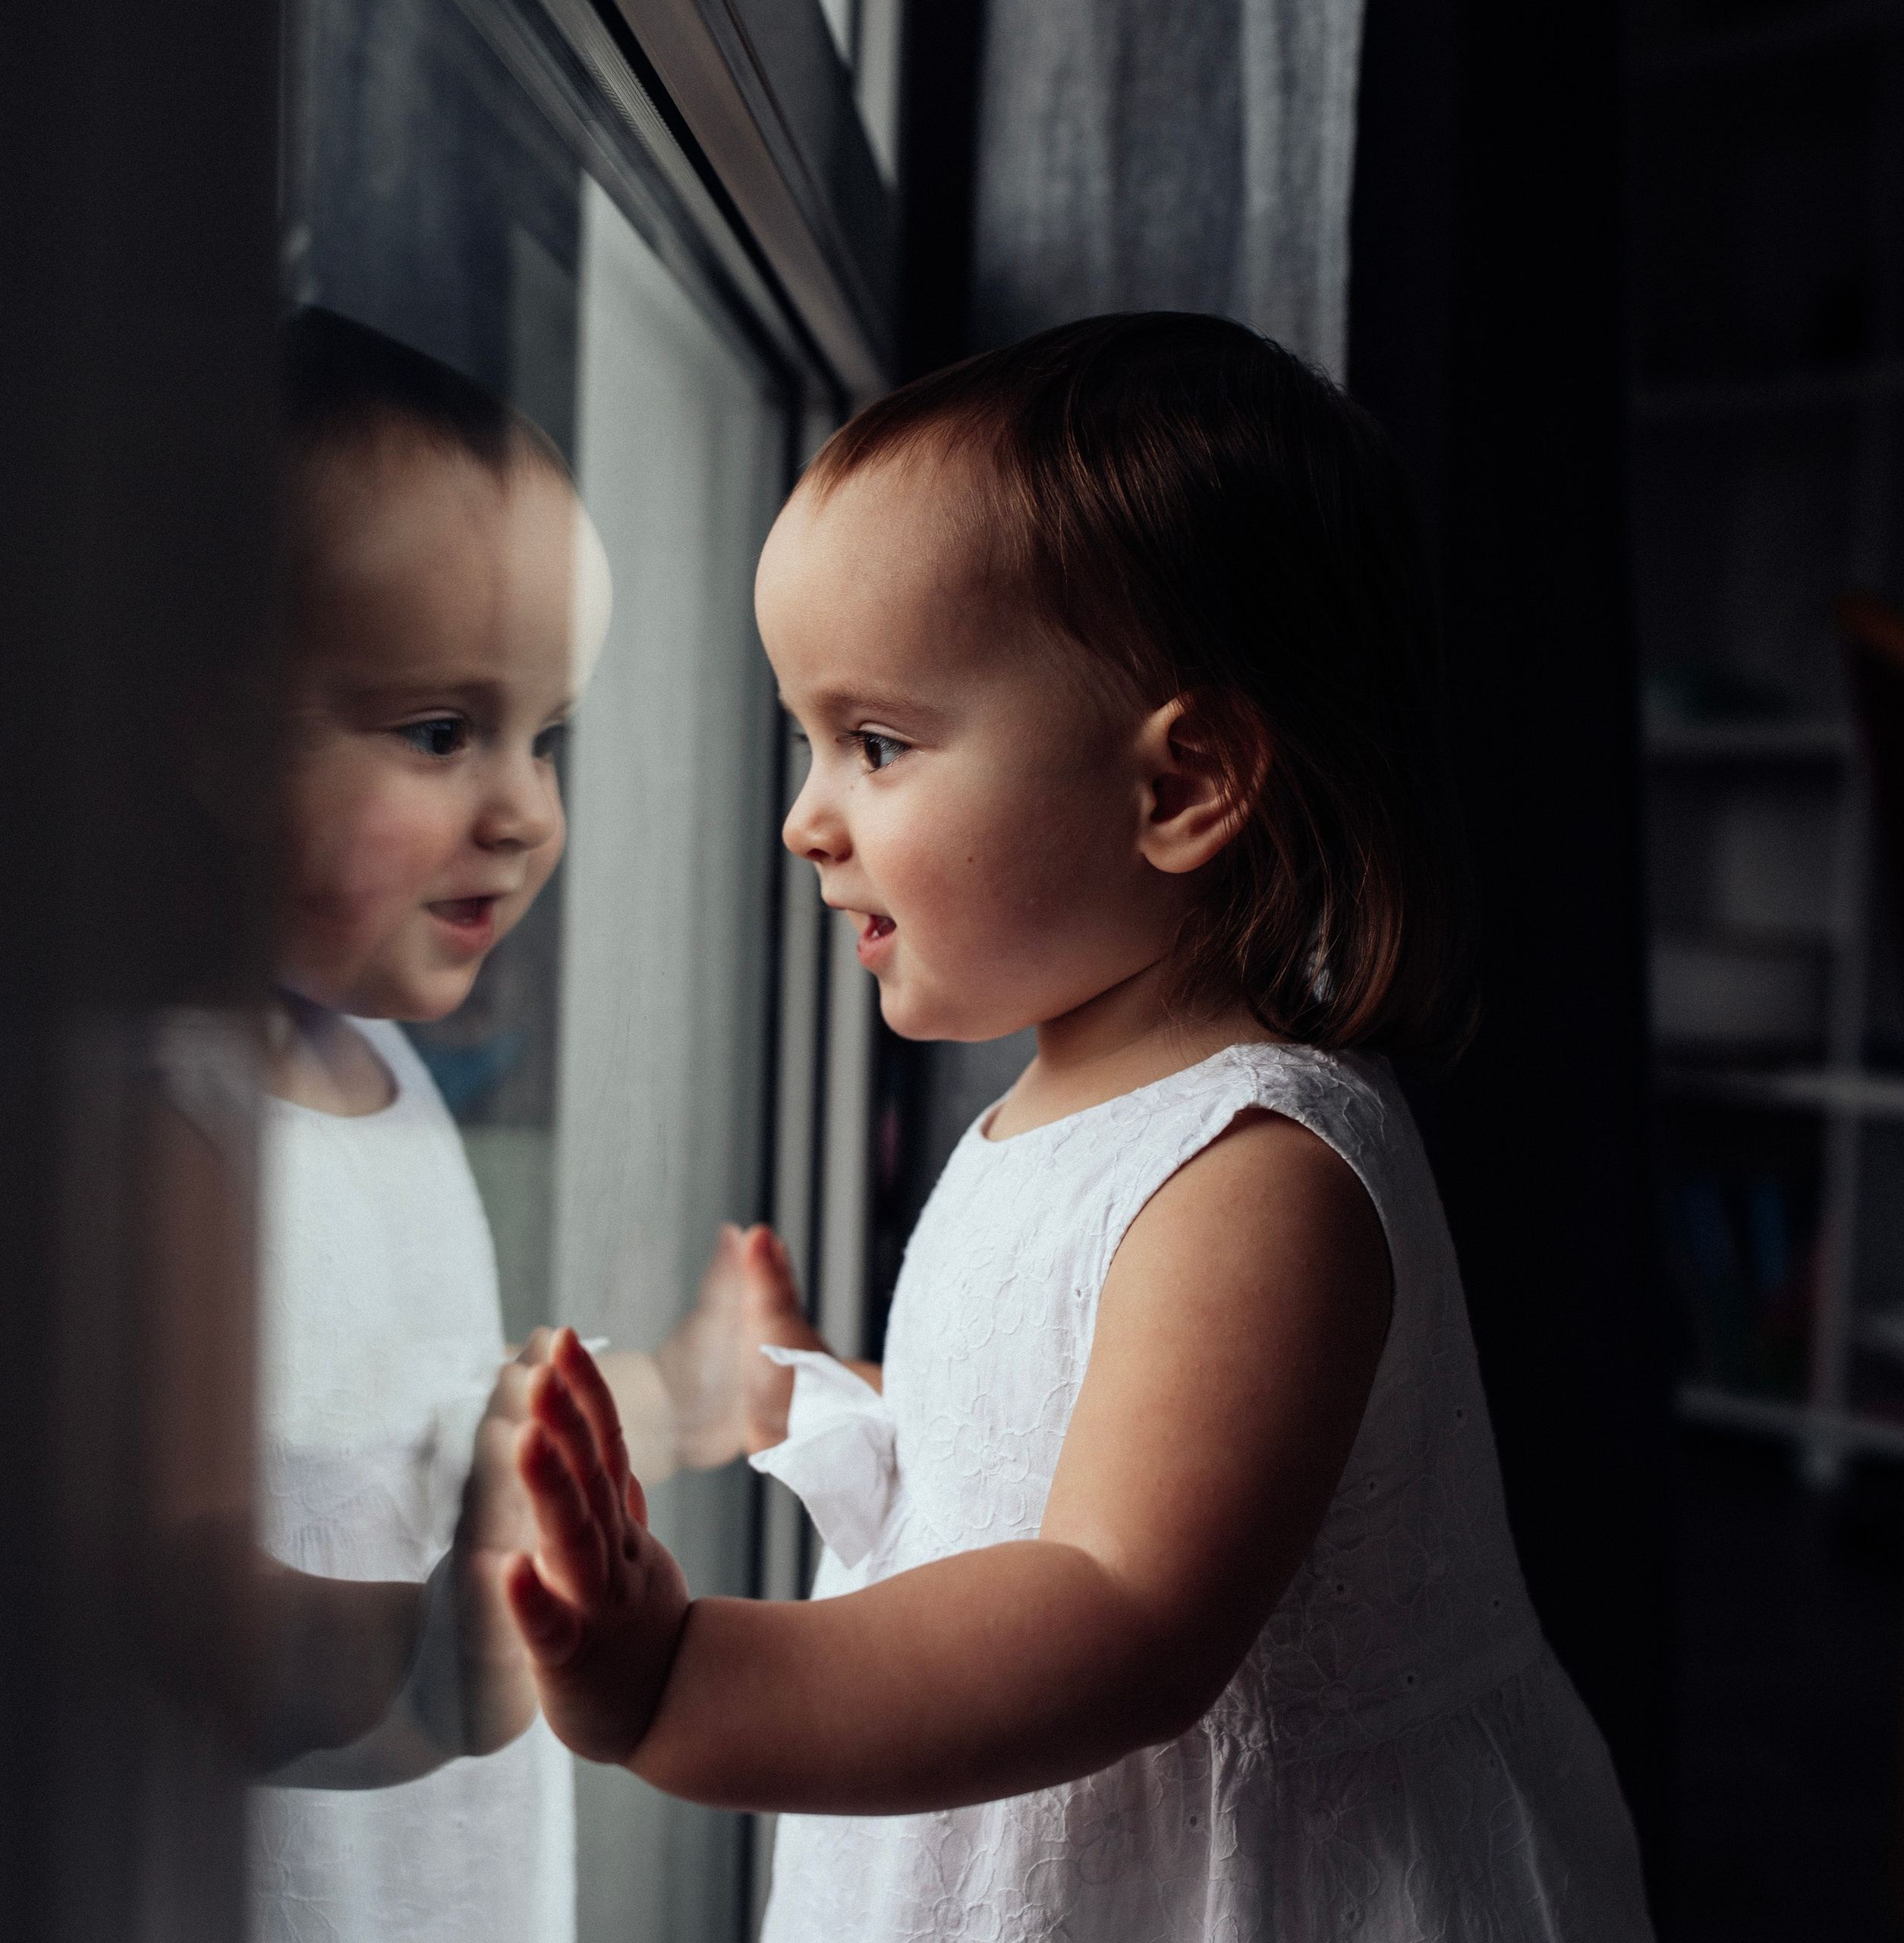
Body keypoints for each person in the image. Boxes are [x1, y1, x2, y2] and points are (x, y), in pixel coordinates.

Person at [504, 312, 1658, 1942]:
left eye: (878, 743)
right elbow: (1052, 1454)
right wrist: (837, 1391)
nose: (804, 817)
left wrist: (689, 1678)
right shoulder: (1061, 1112)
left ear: (1181, 787)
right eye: (804, 740)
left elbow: (1117, 1604)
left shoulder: (1256, 1177)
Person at [154, 307, 760, 1943]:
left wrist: (684, 1397)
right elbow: (172, 1615)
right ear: (206, 736)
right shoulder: (167, 1131)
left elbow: (440, 1434)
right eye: (439, 731)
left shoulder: (375, 1069)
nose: (525, 807)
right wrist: (423, 1662)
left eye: (543, 735)